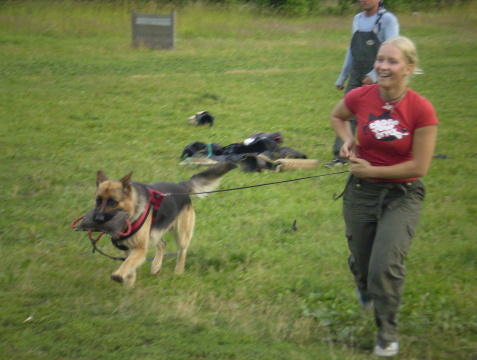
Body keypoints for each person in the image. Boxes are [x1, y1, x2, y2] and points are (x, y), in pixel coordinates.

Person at [330, 36, 438, 357]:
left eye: (391, 61)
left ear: (409, 67)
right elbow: (338, 117)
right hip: (360, 193)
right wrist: (348, 140)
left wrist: (372, 171)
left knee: (385, 266)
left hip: (402, 195)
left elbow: (419, 166)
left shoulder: (421, 109)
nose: (382, 66)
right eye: (380, 60)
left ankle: (387, 333)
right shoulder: (362, 96)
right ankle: (362, 281)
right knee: (365, 266)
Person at [325, 0, 399, 168]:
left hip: (381, 75)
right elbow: (351, 50)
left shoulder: (387, 20)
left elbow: (394, 51)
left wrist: (374, 75)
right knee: (346, 114)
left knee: (380, 117)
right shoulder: (357, 18)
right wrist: (343, 76)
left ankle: (387, 155)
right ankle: (341, 156)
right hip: (356, 74)